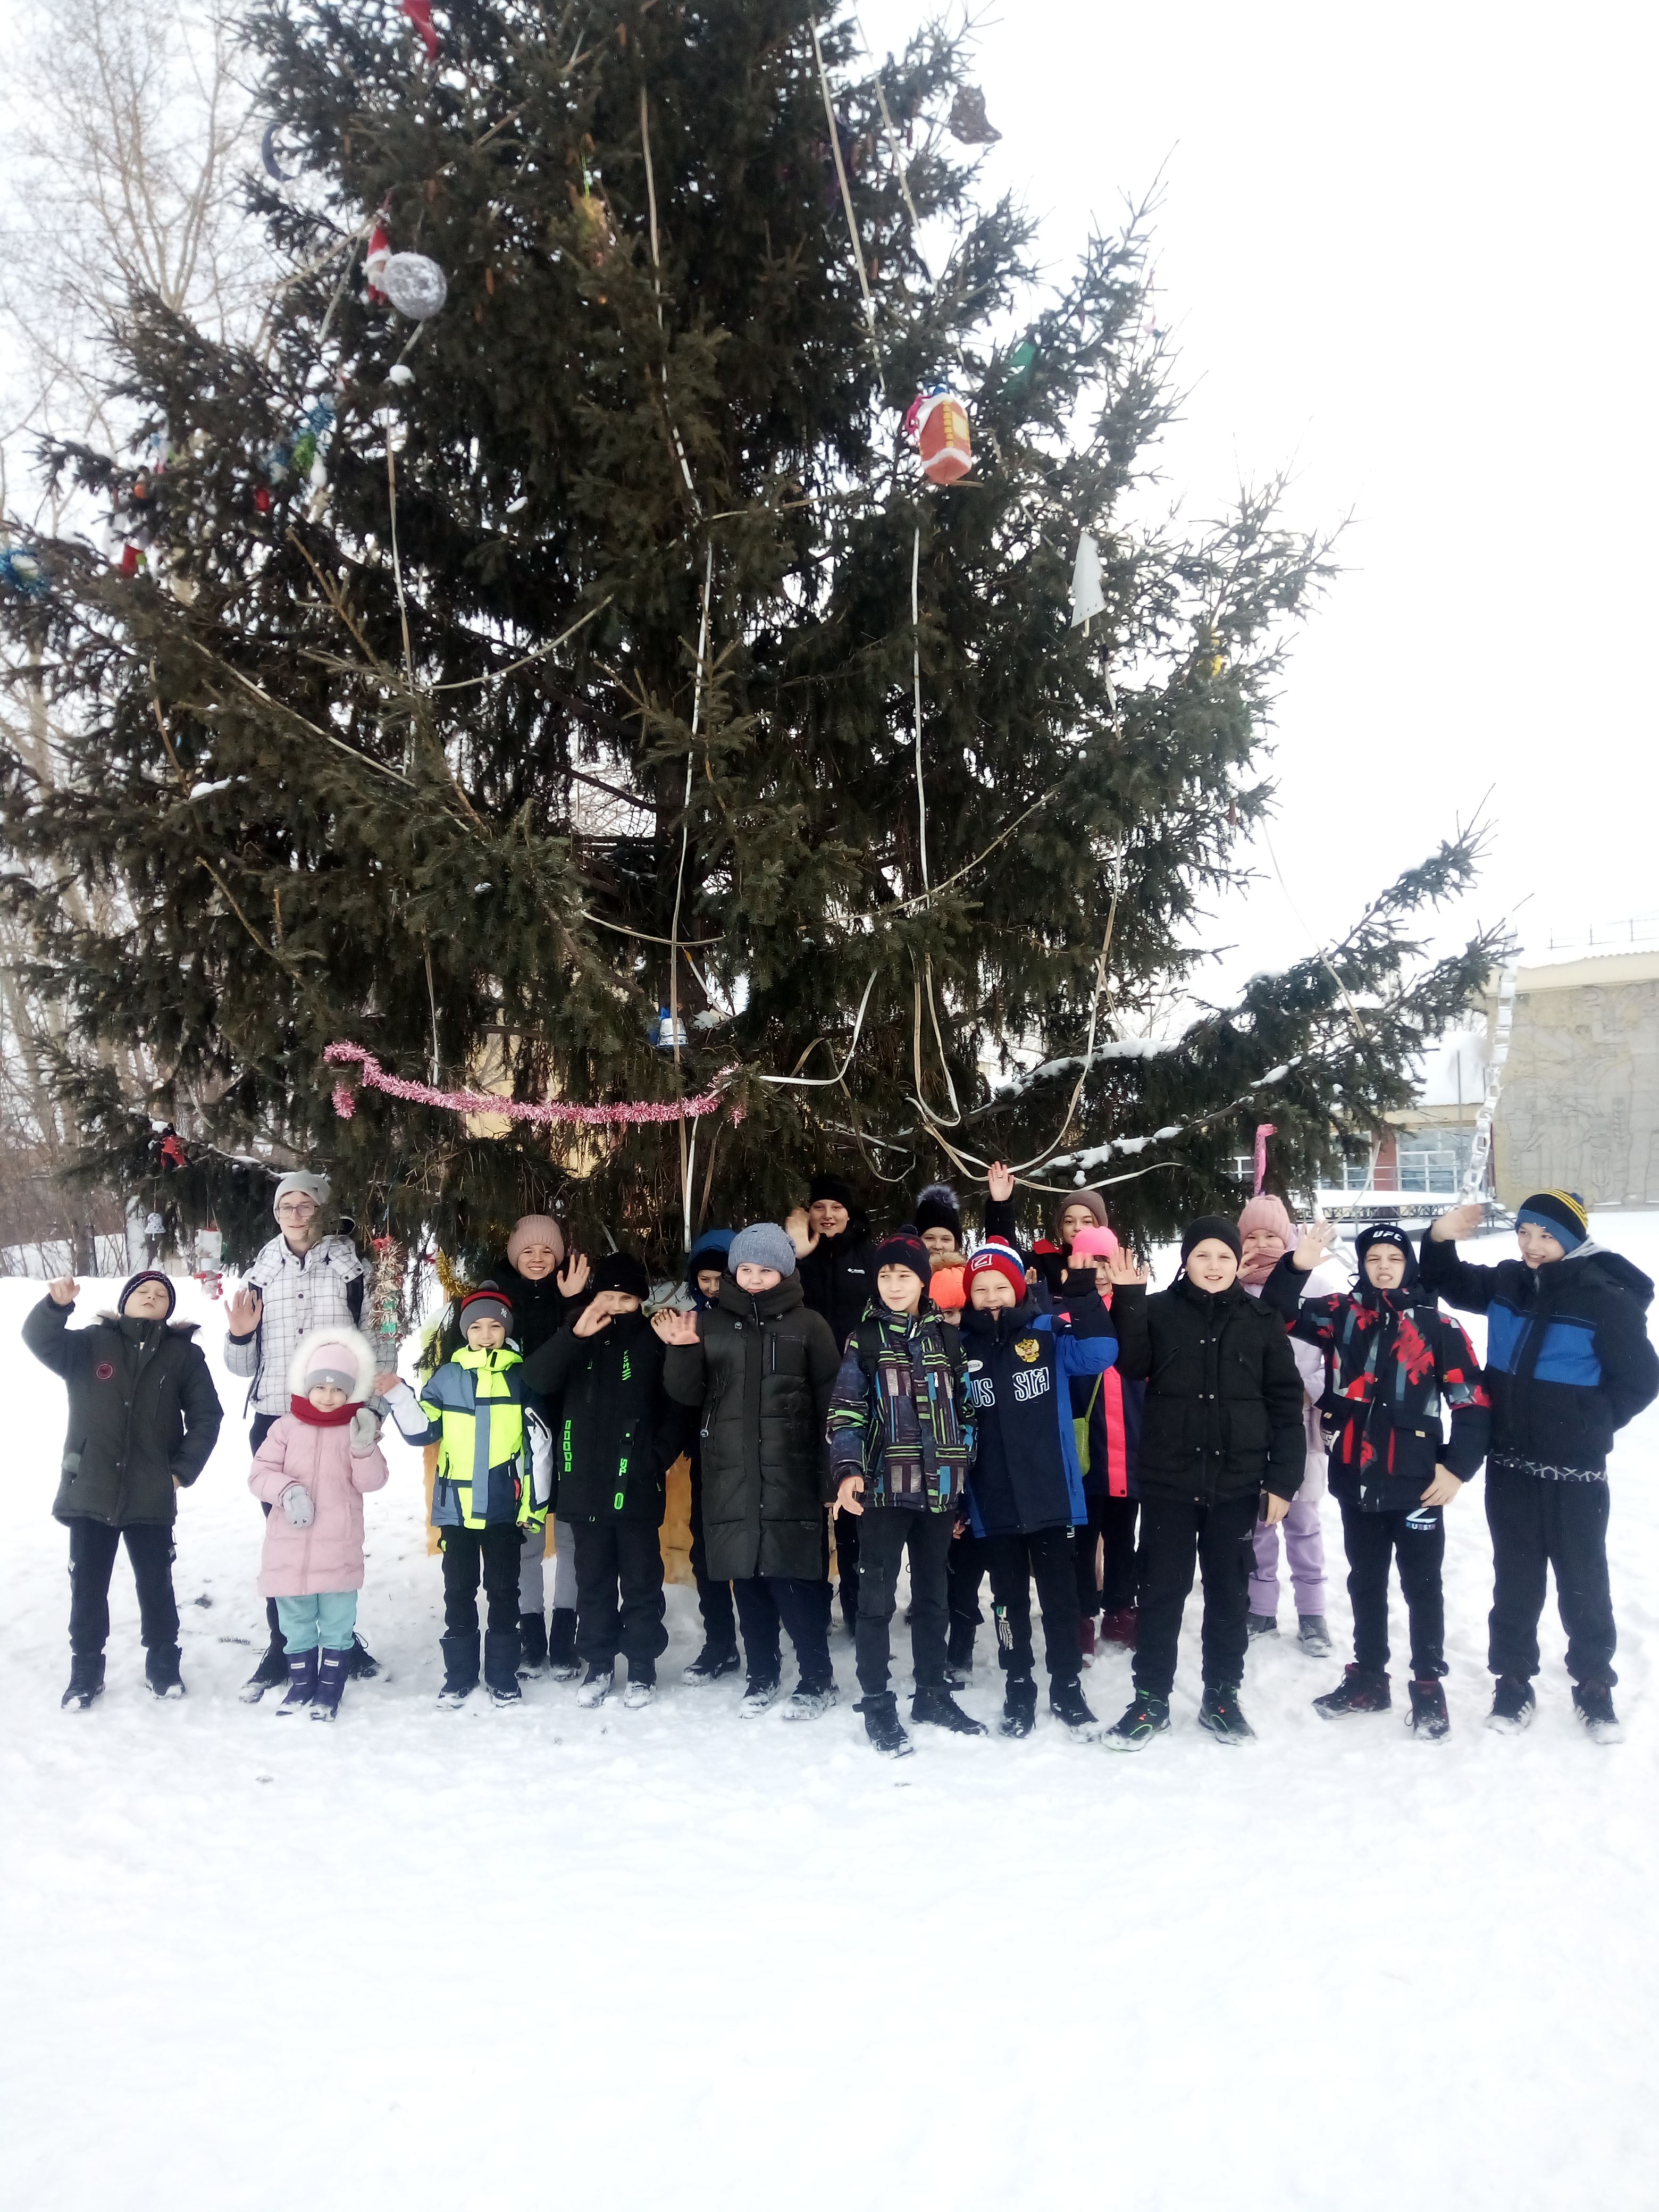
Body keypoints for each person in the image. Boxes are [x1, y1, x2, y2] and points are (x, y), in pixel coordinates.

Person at [1421, 1191, 1658, 1742]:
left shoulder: (1605, 1298)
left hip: (1576, 1472)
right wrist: (1439, 1236)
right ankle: (1513, 1680)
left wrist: (1590, 1425)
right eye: (1525, 1232)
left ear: (1572, 1239)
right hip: (1510, 1465)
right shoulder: (1507, 1283)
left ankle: (1594, 1684)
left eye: (1546, 1235)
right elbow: (1448, 1281)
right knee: (1516, 1578)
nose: (1532, 1246)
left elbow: (1642, 1379)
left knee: (1583, 1580)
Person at [1264, 1223, 1490, 1738]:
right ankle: (1369, 1677)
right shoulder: (1343, 1314)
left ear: (1408, 1262)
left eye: (1393, 1256)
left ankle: (1429, 1687)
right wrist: (1297, 1265)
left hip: (1417, 1484)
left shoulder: (1439, 1326)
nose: (1383, 1265)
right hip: (1355, 1477)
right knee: (1365, 1582)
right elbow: (1277, 1311)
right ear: (1362, 1264)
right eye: (1373, 1258)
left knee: (1422, 1586)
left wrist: (1456, 1467)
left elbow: (1472, 1403)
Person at [1103, 1217, 1304, 1749]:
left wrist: (1282, 1480)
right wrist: (1128, 1297)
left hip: (1236, 1486)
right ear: (1186, 1261)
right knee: (1162, 1592)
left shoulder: (1262, 1320)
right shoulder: (1161, 1311)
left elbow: (1286, 1406)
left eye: (1223, 1257)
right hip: (1170, 1483)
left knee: (1228, 1595)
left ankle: (1222, 1695)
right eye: (1202, 1256)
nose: (1213, 1266)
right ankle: (1149, 1699)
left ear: (1238, 1262)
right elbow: (1132, 1361)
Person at [655, 1224, 842, 1718]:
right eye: (746, 1269)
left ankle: (817, 1679)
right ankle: (762, 1675)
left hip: (792, 1475)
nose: (755, 1278)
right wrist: (680, 1349)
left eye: (765, 1270)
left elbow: (832, 1404)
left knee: (794, 1582)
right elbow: (688, 1396)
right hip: (730, 1475)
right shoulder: (711, 1324)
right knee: (749, 1581)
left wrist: (832, 1475)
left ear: (783, 1270)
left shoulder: (810, 1326)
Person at [26, 1269, 222, 1709]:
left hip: (150, 1493)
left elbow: (208, 1418)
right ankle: (86, 1671)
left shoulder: (182, 1357)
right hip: (91, 1487)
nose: (152, 1297)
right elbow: (40, 1340)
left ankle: (164, 1664)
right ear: (125, 1300)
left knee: (156, 1582)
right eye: (143, 1291)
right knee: (88, 1586)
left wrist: (180, 1472)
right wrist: (55, 1308)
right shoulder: (89, 1344)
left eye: (161, 1295)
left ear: (170, 1309)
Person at [957, 1239, 1124, 1739]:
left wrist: (1080, 1294)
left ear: (1018, 1289)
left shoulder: (1047, 1333)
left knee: (1061, 1597)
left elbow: (1102, 1352)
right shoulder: (958, 1349)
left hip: (1052, 1497)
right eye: (980, 1290)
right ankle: (1019, 1684)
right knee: (1007, 1600)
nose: (990, 1298)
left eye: (1000, 1288)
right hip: (994, 1502)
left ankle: (1067, 1686)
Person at [225, 1169, 382, 1697]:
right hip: (278, 1418)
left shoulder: (352, 1267)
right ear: (276, 1213)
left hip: (339, 1417)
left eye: (305, 1203)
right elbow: (241, 1365)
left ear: (321, 1207)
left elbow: (379, 1338)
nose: (295, 1213)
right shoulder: (260, 1275)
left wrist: (373, 1411)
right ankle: (284, 1644)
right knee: (286, 1540)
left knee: (336, 1530)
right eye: (285, 1205)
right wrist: (239, 1334)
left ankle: (340, 1639)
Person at [826, 1231, 983, 1755]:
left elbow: (967, 1415)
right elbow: (846, 1413)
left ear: (922, 1280)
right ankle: (876, 1700)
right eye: (885, 1274)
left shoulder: (949, 1339)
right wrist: (848, 1471)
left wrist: (963, 1485)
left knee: (933, 1596)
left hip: (940, 1493)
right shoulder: (864, 1339)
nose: (894, 1284)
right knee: (875, 1600)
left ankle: (932, 1692)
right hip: (884, 1493)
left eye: (904, 1275)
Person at [429, 1215, 592, 1682]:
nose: (538, 1260)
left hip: (570, 1427)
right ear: (514, 1255)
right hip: (513, 1438)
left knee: (571, 1536)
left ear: (561, 1257)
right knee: (525, 1536)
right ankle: (530, 1630)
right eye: (528, 1252)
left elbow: (587, 1349)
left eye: (547, 1252)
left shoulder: (576, 1296)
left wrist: (575, 1300)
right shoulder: (492, 1304)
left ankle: (565, 1630)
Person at [522, 1253, 688, 1711]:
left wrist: (654, 1460)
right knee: (591, 1583)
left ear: (640, 1302)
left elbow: (678, 1409)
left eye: (626, 1298)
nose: (615, 1306)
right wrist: (573, 1335)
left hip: (635, 1489)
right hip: (583, 1488)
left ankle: (641, 1668)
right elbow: (535, 1378)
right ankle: (597, 1665)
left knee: (640, 1583)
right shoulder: (578, 1337)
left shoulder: (654, 1342)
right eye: (609, 1296)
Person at [380, 1284, 552, 1709]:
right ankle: (458, 1676)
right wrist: (400, 1395)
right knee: (458, 1592)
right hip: (456, 1511)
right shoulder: (447, 1377)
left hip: (503, 1511)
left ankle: (502, 1675)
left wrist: (533, 1506)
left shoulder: (521, 1377)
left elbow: (539, 1448)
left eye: (496, 1326)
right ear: (465, 1332)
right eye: (477, 1327)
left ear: (506, 1329)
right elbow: (423, 1430)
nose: (486, 1333)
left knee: (504, 1592)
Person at [247, 1328, 389, 1722]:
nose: (328, 1396)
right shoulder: (285, 1428)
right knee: (295, 1621)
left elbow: (373, 1482)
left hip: (337, 1549)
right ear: (305, 1385)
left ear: (352, 1391)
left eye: (338, 1389)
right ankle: (301, 1684)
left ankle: (330, 1688)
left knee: (338, 1623)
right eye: (320, 1387)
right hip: (288, 1549)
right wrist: (287, 1491)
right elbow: (259, 1474)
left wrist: (363, 1448)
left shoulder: (355, 1428)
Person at [1236, 1194, 1336, 1657]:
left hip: (1300, 1422)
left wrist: (1308, 1387)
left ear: (1288, 1239)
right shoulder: (1230, 1287)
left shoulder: (1317, 1286)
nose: (1260, 1245)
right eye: (1250, 1237)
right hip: (1248, 1427)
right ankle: (1261, 1606)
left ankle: (1313, 1611)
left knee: (1302, 1521)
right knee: (1259, 1520)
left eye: (1270, 1236)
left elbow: (1336, 1358)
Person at [787, 1172, 878, 1636]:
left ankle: (859, 1607)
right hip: (803, 1387)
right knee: (811, 1502)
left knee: (850, 1498)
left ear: (850, 1212)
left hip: (856, 1386)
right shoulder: (796, 1255)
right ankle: (813, 1606)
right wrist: (797, 1253)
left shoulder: (869, 1254)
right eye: (819, 1207)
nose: (827, 1215)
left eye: (836, 1208)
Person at [1058, 1222, 1144, 1657]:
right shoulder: (1062, 1315)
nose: (1099, 1271)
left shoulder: (1135, 1311)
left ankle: (1120, 1608)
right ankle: (1080, 1614)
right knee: (1082, 1539)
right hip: (1083, 1450)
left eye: (1105, 1261)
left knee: (1122, 1535)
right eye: (1088, 1263)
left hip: (1128, 1447)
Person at [679, 1227, 742, 1683]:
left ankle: (766, 1641)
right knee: (707, 1551)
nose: (714, 1288)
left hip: (756, 1453)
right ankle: (719, 1641)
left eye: (722, 1278)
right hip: (707, 1452)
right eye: (704, 1280)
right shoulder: (690, 1323)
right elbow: (681, 1393)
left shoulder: (758, 1319)